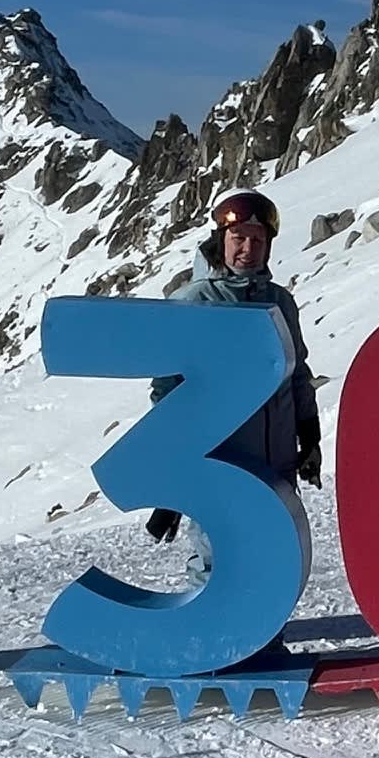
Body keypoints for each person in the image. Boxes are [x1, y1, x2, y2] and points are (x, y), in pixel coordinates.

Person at [145, 190, 323, 585]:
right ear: (219, 242)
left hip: (276, 460)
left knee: (274, 556)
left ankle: (269, 644)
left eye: (258, 240)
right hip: (221, 463)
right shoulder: (193, 303)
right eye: (238, 238)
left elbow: (296, 373)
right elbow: (167, 392)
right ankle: (211, 646)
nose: (248, 248)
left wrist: (309, 435)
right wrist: (175, 476)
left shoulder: (280, 303)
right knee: (218, 558)